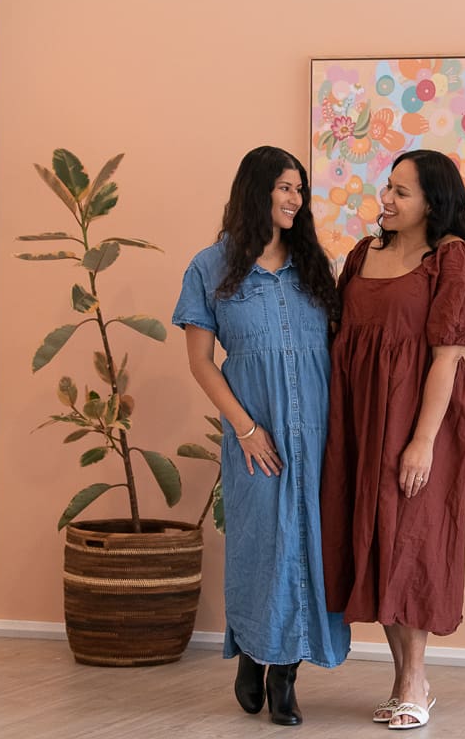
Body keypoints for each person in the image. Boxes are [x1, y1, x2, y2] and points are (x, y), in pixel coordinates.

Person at [172, 145, 350, 726]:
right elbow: (201, 362)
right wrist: (245, 430)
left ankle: (286, 677)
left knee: (311, 549)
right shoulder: (210, 267)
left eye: (300, 189)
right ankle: (251, 650)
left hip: (317, 436)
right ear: (256, 190)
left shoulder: (314, 266)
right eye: (285, 187)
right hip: (256, 438)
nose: (296, 199)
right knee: (260, 550)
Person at [321, 149, 465, 730]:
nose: (386, 199)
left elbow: (445, 360)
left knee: (410, 542)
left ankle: (415, 681)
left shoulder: (452, 261)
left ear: (432, 202)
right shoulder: (362, 255)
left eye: (401, 192)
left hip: (420, 417)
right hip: (358, 417)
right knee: (375, 540)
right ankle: (402, 680)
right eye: (387, 188)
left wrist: (422, 442)